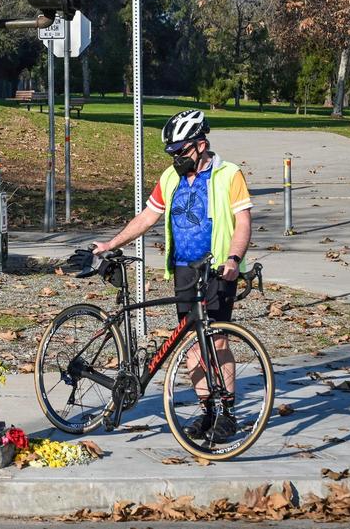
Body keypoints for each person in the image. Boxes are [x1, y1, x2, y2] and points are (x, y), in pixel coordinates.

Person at [92, 109, 253, 442]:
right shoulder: (170, 178)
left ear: (201, 144)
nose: (176, 158)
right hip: (183, 270)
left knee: (217, 341)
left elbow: (243, 223)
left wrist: (234, 259)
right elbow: (147, 216)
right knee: (193, 344)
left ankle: (227, 414)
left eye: (180, 151)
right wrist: (111, 242)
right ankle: (208, 411)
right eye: (172, 153)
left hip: (217, 268)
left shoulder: (228, 175)